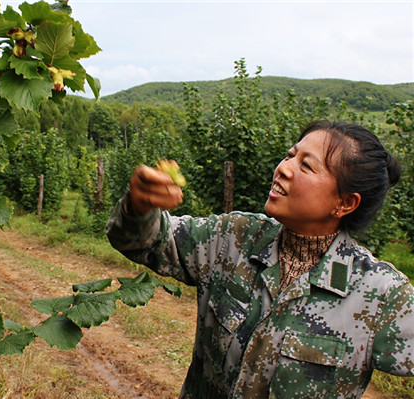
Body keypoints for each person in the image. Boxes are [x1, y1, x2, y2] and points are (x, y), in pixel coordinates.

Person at [105, 120, 414, 398]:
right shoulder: (234, 238)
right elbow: (149, 241)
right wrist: (139, 206)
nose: (284, 167)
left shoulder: (381, 294)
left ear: (344, 202)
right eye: (291, 154)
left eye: (307, 166)